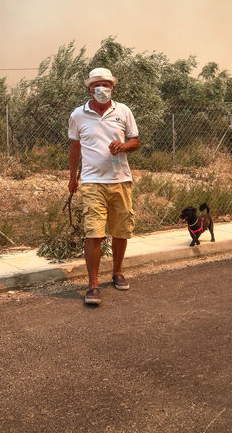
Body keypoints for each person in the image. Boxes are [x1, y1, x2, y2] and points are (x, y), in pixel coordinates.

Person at [68, 67, 141, 306]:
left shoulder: (124, 111)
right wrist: (72, 178)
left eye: (106, 85)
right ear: (89, 88)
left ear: (113, 88)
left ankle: (118, 272)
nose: (102, 88)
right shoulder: (78, 115)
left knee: (121, 230)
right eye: (97, 85)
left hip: (121, 180)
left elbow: (136, 141)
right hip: (91, 182)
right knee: (94, 233)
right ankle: (93, 285)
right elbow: (74, 147)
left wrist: (124, 146)